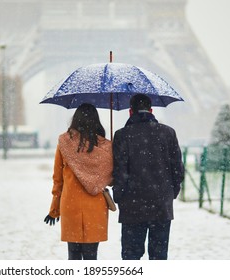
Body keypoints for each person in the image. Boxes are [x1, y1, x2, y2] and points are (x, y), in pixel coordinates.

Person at [112, 94, 184, 260]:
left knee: (131, 256)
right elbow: (178, 169)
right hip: (161, 204)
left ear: (131, 112)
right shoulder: (168, 133)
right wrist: (170, 194)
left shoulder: (122, 135)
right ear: (151, 110)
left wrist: (119, 196)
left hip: (132, 205)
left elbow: (120, 170)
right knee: (159, 256)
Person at [44, 103, 113, 260]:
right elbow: (111, 178)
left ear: (75, 120)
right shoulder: (106, 147)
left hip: (71, 205)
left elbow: (58, 180)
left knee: (73, 255)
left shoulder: (64, 143)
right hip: (95, 206)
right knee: (91, 256)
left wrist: (54, 209)